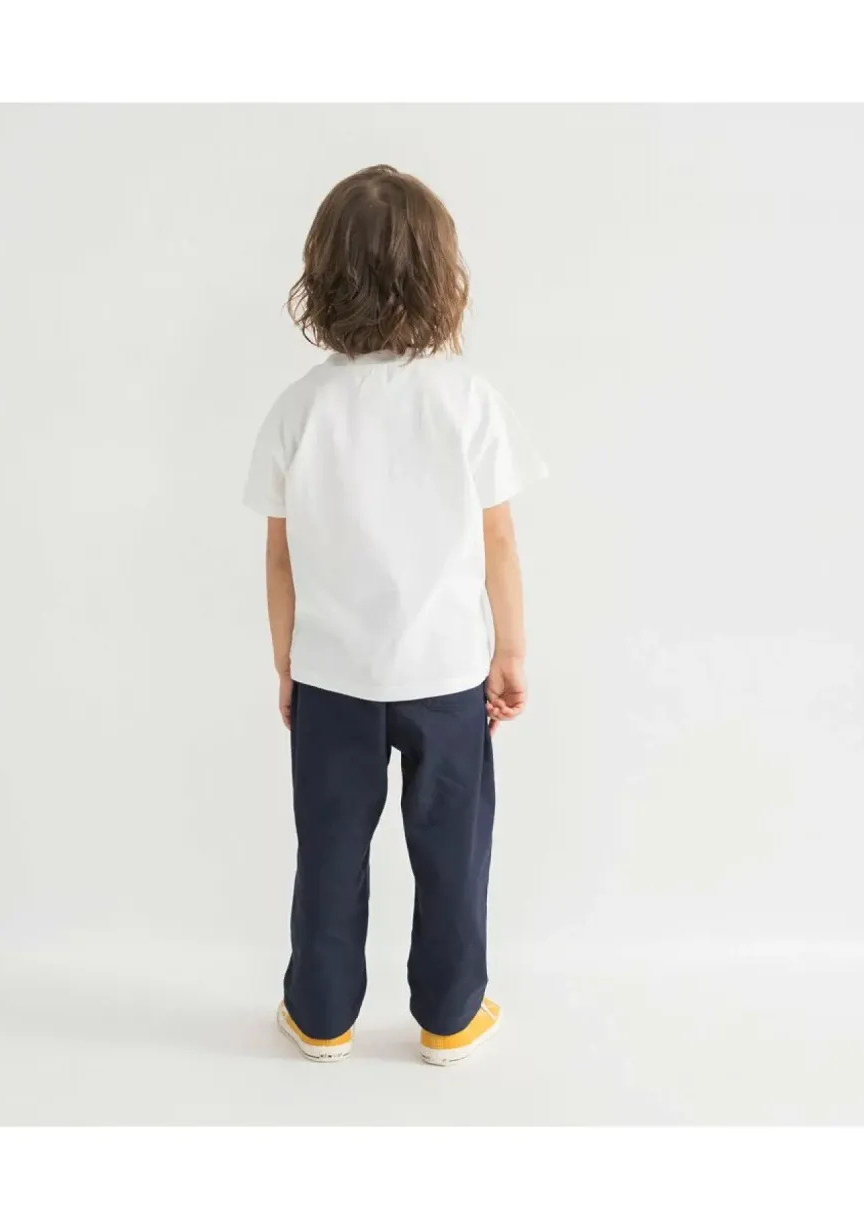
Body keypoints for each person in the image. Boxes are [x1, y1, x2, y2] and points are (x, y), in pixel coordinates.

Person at [243, 165, 547, 1065]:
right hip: (448, 675)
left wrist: (286, 662)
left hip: (333, 677)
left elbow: (280, 556)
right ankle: (451, 1016)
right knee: (453, 850)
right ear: (439, 275)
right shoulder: (467, 399)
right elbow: (499, 541)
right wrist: (512, 650)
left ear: (322, 277)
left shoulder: (299, 408)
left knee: (329, 852)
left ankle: (320, 1014)